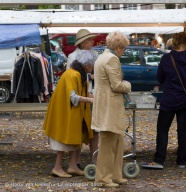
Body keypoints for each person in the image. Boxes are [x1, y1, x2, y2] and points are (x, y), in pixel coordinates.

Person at [141, 32, 186, 169]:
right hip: (185, 100)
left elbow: (160, 78)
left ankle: (159, 160)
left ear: (174, 42)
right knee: (183, 130)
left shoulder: (167, 58)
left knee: (162, 129)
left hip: (169, 100)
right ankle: (181, 161)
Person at [42, 50, 97, 178]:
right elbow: (73, 97)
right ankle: (57, 168)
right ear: (87, 64)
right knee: (62, 139)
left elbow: (79, 94)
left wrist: (93, 96)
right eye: (92, 65)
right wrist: (90, 99)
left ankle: (72, 166)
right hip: (63, 112)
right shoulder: (73, 75)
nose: (93, 68)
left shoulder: (79, 74)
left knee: (74, 137)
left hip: (71, 112)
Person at [91, 31, 131, 188]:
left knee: (117, 141)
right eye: (124, 48)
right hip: (109, 107)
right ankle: (103, 178)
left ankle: (115, 174)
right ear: (119, 47)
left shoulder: (102, 57)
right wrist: (128, 85)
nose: (124, 51)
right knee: (108, 144)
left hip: (105, 105)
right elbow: (117, 85)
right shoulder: (112, 59)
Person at [66, 29, 99, 168]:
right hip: (80, 97)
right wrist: (91, 76)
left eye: (92, 39)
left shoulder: (95, 54)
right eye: (89, 40)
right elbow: (71, 78)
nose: (93, 42)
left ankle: (94, 160)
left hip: (92, 93)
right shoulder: (72, 57)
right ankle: (76, 161)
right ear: (82, 42)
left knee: (95, 129)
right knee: (79, 128)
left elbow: (98, 74)